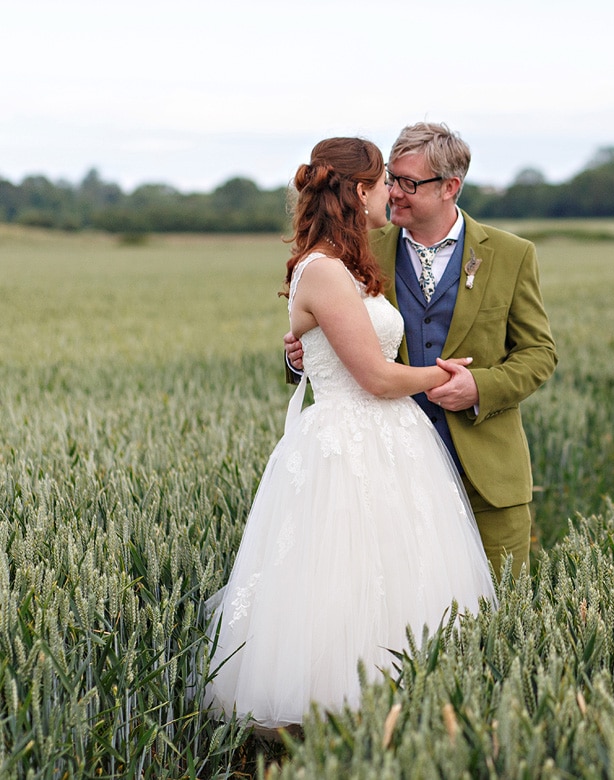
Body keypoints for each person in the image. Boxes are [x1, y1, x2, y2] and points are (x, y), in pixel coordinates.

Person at [205, 137, 496, 732]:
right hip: (349, 442)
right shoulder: (327, 272)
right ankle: (343, 716)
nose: (393, 191)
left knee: (401, 577)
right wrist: (446, 374)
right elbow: (374, 376)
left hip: (389, 440)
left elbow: (338, 350)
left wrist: (307, 350)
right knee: (347, 578)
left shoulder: (348, 263)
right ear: (359, 191)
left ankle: (404, 713)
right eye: (386, 180)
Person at [286, 123, 557, 579]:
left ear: (451, 186)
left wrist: (479, 386)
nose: (394, 193)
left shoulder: (511, 254)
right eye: (391, 178)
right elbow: (321, 326)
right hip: (388, 475)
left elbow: (539, 353)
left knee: (501, 618)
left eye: (409, 183)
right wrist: (300, 355)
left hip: (487, 477)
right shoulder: (356, 250)